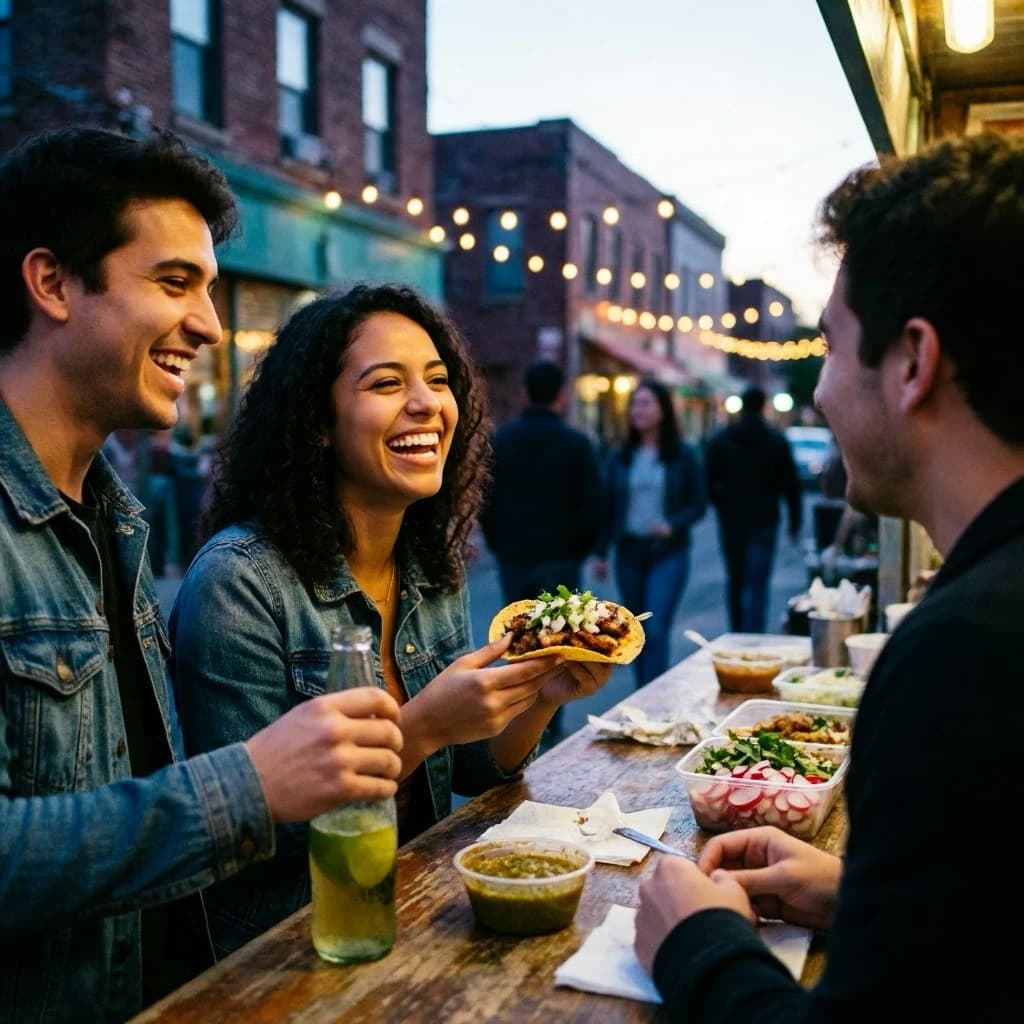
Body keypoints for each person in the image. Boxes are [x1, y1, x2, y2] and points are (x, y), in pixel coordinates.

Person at [0, 127, 405, 1024]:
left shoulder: (114, 520)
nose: (211, 326)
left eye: (210, 290)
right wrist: (247, 785)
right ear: (52, 282)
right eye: (174, 282)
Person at [634, 132, 1024, 1021]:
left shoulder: (964, 653)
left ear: (914, 363)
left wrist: (698, 944)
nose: (820, 391)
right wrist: (867, 900)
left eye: (832, 346)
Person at [169, 284, 613, 956]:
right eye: (386, 383)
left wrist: (538, 695)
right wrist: (423, 725)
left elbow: (469, 769)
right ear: (318, 420)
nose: (426, 403)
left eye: (437, 380)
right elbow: (247, 832)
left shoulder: (431, 566)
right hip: (289, 951)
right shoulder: (238, 583)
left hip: (419, 916)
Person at [593, 379, 706, 686]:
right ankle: (644, 692)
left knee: (655, 629)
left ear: (663, 410)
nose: (637, 411)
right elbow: (607, 507)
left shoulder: (683, 454)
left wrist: (672, 524)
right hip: (629, 553)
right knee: (635, 632)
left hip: (668, 553)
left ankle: (652, 695)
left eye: (645, 403)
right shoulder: (620, 457)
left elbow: (698, 504)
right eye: (634, 404)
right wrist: (601, 553)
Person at [479, 358, 601, 604]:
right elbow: (592, 502)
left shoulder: (502, 440)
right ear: (561, 395)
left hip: (514, 552)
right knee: (561, 622)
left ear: (525, 394)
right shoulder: (577, 443)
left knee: (518, 622)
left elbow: (486, 497)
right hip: (563, 553)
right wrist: (581, 548)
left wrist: (498, 543)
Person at [705, 385, 802, 633]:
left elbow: (708, 480)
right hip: (765, 517)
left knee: (736, 579)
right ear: (763, 407)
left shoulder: (722, 440)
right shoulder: (776, 440)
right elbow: (790, 485)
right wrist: (795, 522)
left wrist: (721, 505)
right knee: (758, 582)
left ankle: (737, 631)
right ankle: (754, 632)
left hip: (732, 518)